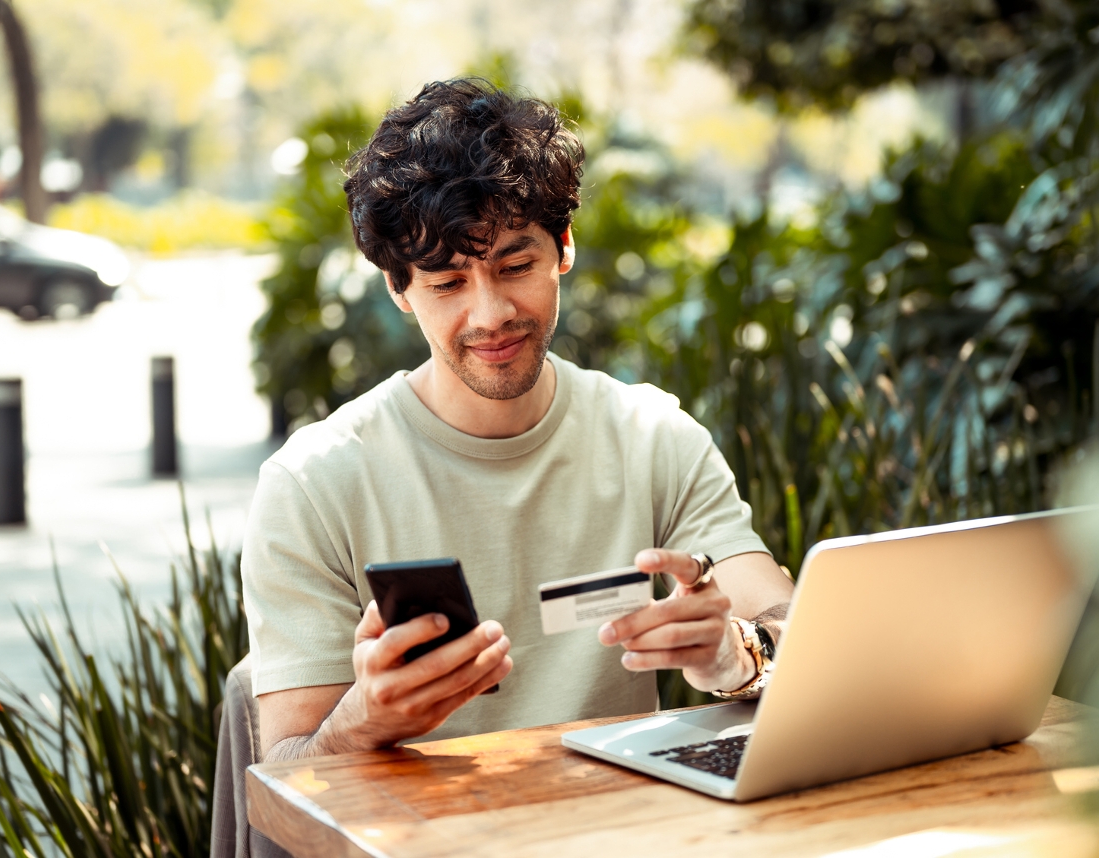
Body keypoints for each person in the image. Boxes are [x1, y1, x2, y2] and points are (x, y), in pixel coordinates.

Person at [243, 78, 794, 763]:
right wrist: (362, 720)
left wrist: (735, 654)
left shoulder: (653, 438)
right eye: (447, 283)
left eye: (516, 265)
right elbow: (284, 772)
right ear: (399, 288)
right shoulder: (315, 482)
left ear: (563, 247)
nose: (491, 313)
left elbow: (792, 632)